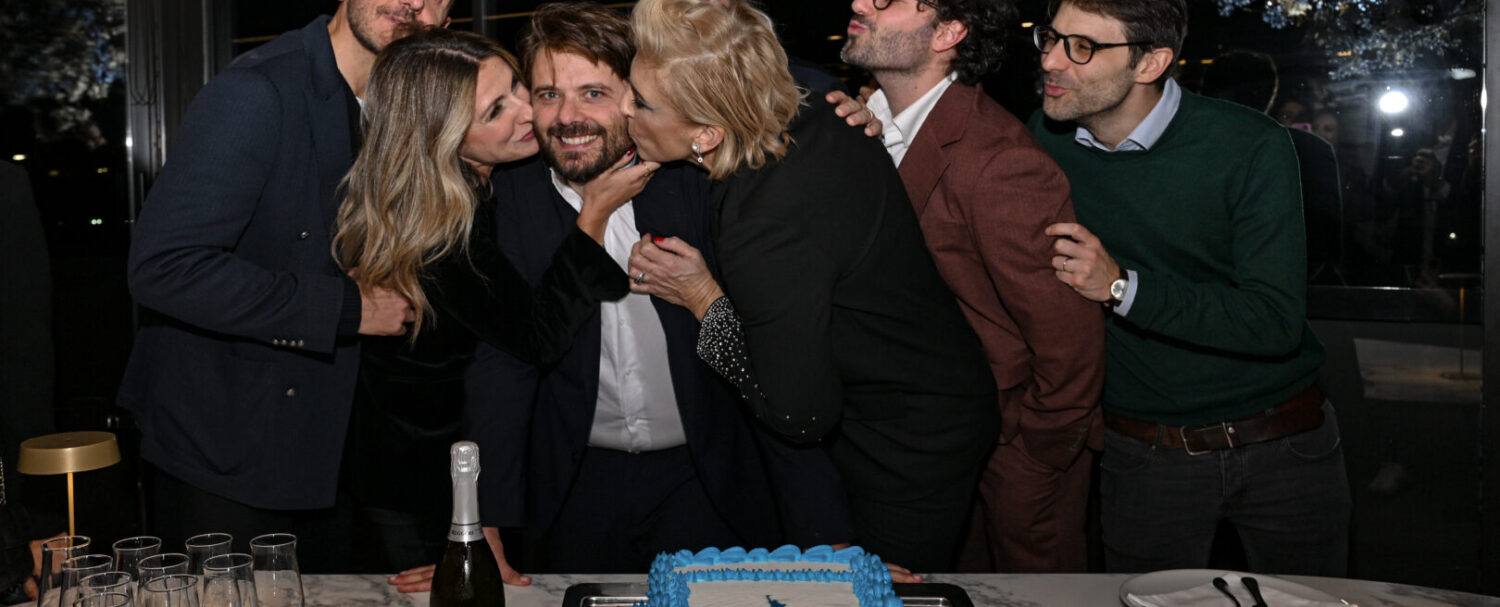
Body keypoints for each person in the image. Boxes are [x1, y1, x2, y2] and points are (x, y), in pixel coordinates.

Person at [446, 2, 855, 577]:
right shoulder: (511, 200)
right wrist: (481, 519)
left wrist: (828, 536)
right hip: (573, 488)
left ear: (635, 95)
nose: (567, 117)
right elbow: (503, 364)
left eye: (593, 93)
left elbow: (776, 358)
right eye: (548, 95)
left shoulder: (700, 182)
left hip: (708, 482)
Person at [621, 0, 999, 573]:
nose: (625, 109)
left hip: (908, 445)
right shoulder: (813, 103)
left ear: (707, 133)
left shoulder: (765, 222)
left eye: (643, 103)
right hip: (916, 396)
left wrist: (704, 300)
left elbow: (799, 415)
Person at [121, 0, 455, 571]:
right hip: (230, 449)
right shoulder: (258, 92)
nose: (413, 1)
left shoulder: (402, 102)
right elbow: (164, 267)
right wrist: (347, 308)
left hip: (334, 449)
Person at [1028, 0, 1351, 575]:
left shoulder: (1249, 144)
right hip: (1145, 453)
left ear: (1150, 63)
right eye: (1051, 38)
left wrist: (1122, 287)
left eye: (1083, 47)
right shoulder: (1042, 139)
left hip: (1283, 444)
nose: (1052, 60)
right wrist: (877, 121)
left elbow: (1273, 320)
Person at [333, 26, 646, 572]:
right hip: (420, 490)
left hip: (461, 468)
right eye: (496, 111)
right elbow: (537, 338)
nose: (529, 113)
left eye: (518, 88)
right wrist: (594, 214)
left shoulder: (483, 183)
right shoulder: (437, 231)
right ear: (443, 137)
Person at [839, 0, 1104, 574]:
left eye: (888, 0)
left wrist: (1035, 456)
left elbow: (1068, 339)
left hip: (1006, 450)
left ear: (949, 32)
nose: (860, 3)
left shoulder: (998, 159)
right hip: (902, 444)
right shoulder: (859, 126)